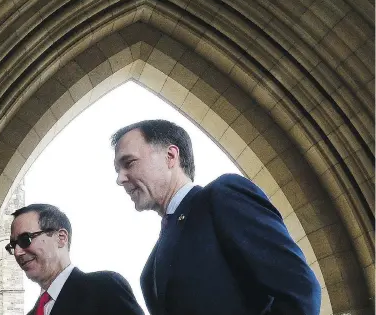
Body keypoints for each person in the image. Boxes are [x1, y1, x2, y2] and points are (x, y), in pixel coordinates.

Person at [111, 119, 321, 315]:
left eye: (129, 163)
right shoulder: (150, 269)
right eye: (117, 170)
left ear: (171, 156)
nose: (120, 179)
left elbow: (299, 290)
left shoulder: (222, 196)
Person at [7, 203, 144, 315]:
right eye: (13, 245)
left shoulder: (104, 289)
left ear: (61, 238)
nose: (18, 252)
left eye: (25, 239)